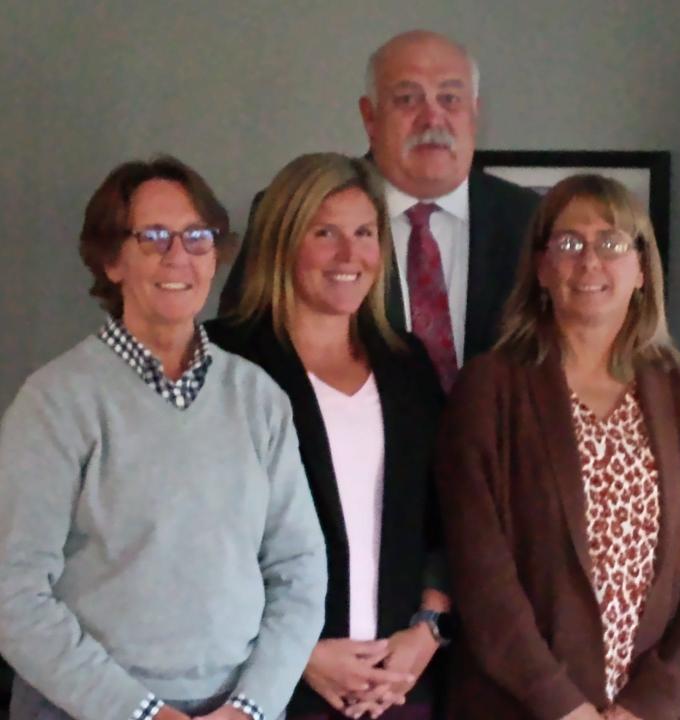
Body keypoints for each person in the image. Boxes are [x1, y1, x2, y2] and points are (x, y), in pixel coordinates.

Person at [0, 157, 327, 720]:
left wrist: (251, 708)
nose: (179, 256)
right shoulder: (55, 402)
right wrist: (143, 714)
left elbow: (299, 571)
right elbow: (13, 595)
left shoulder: (258, 398)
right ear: (111, 260)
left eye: (197, 236)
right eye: (152, 237)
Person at [435, 175, 680, 720]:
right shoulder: (489, 390)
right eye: (568, 243)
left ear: (640, 269)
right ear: (540, 268)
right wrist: (563, 706)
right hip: (519, 707)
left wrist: (646, 706)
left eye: (611, 243)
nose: (590, 261)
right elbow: (480, 572)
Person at [207, 153, 450, 720]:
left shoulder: (407, 364)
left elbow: (445, 517)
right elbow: (199, 544)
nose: (350, 255)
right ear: (283, 243)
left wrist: (429, 630)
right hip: (270, 691)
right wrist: (298, 655)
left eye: (365, 233)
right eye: (325, 233)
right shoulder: (224, 359)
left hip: (399, 691)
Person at [219, 30, 540, 389]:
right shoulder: (294, 210)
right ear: (369, 117)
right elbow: (237, 357)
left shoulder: (532, 220)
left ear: (475, 114)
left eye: (450, 98)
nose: (432, 118)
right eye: (407, 99)